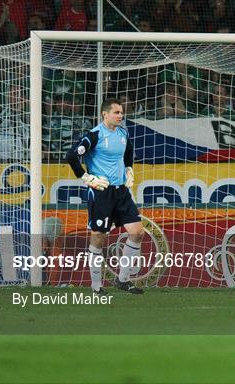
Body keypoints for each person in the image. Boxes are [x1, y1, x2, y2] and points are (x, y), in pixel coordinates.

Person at [66, 98, 144, 295]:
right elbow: (71, 156)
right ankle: (96, 286)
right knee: (98, 237)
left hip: (121, 192)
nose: (121, 115)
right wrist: (86, 178)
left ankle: (123, 280)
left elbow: (128, 151)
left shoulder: (123, 133)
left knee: (137, 232)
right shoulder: (94, 135)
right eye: (117, 112)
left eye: (122, 112)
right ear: (105, 114)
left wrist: (128, 168)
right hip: (101, 192)